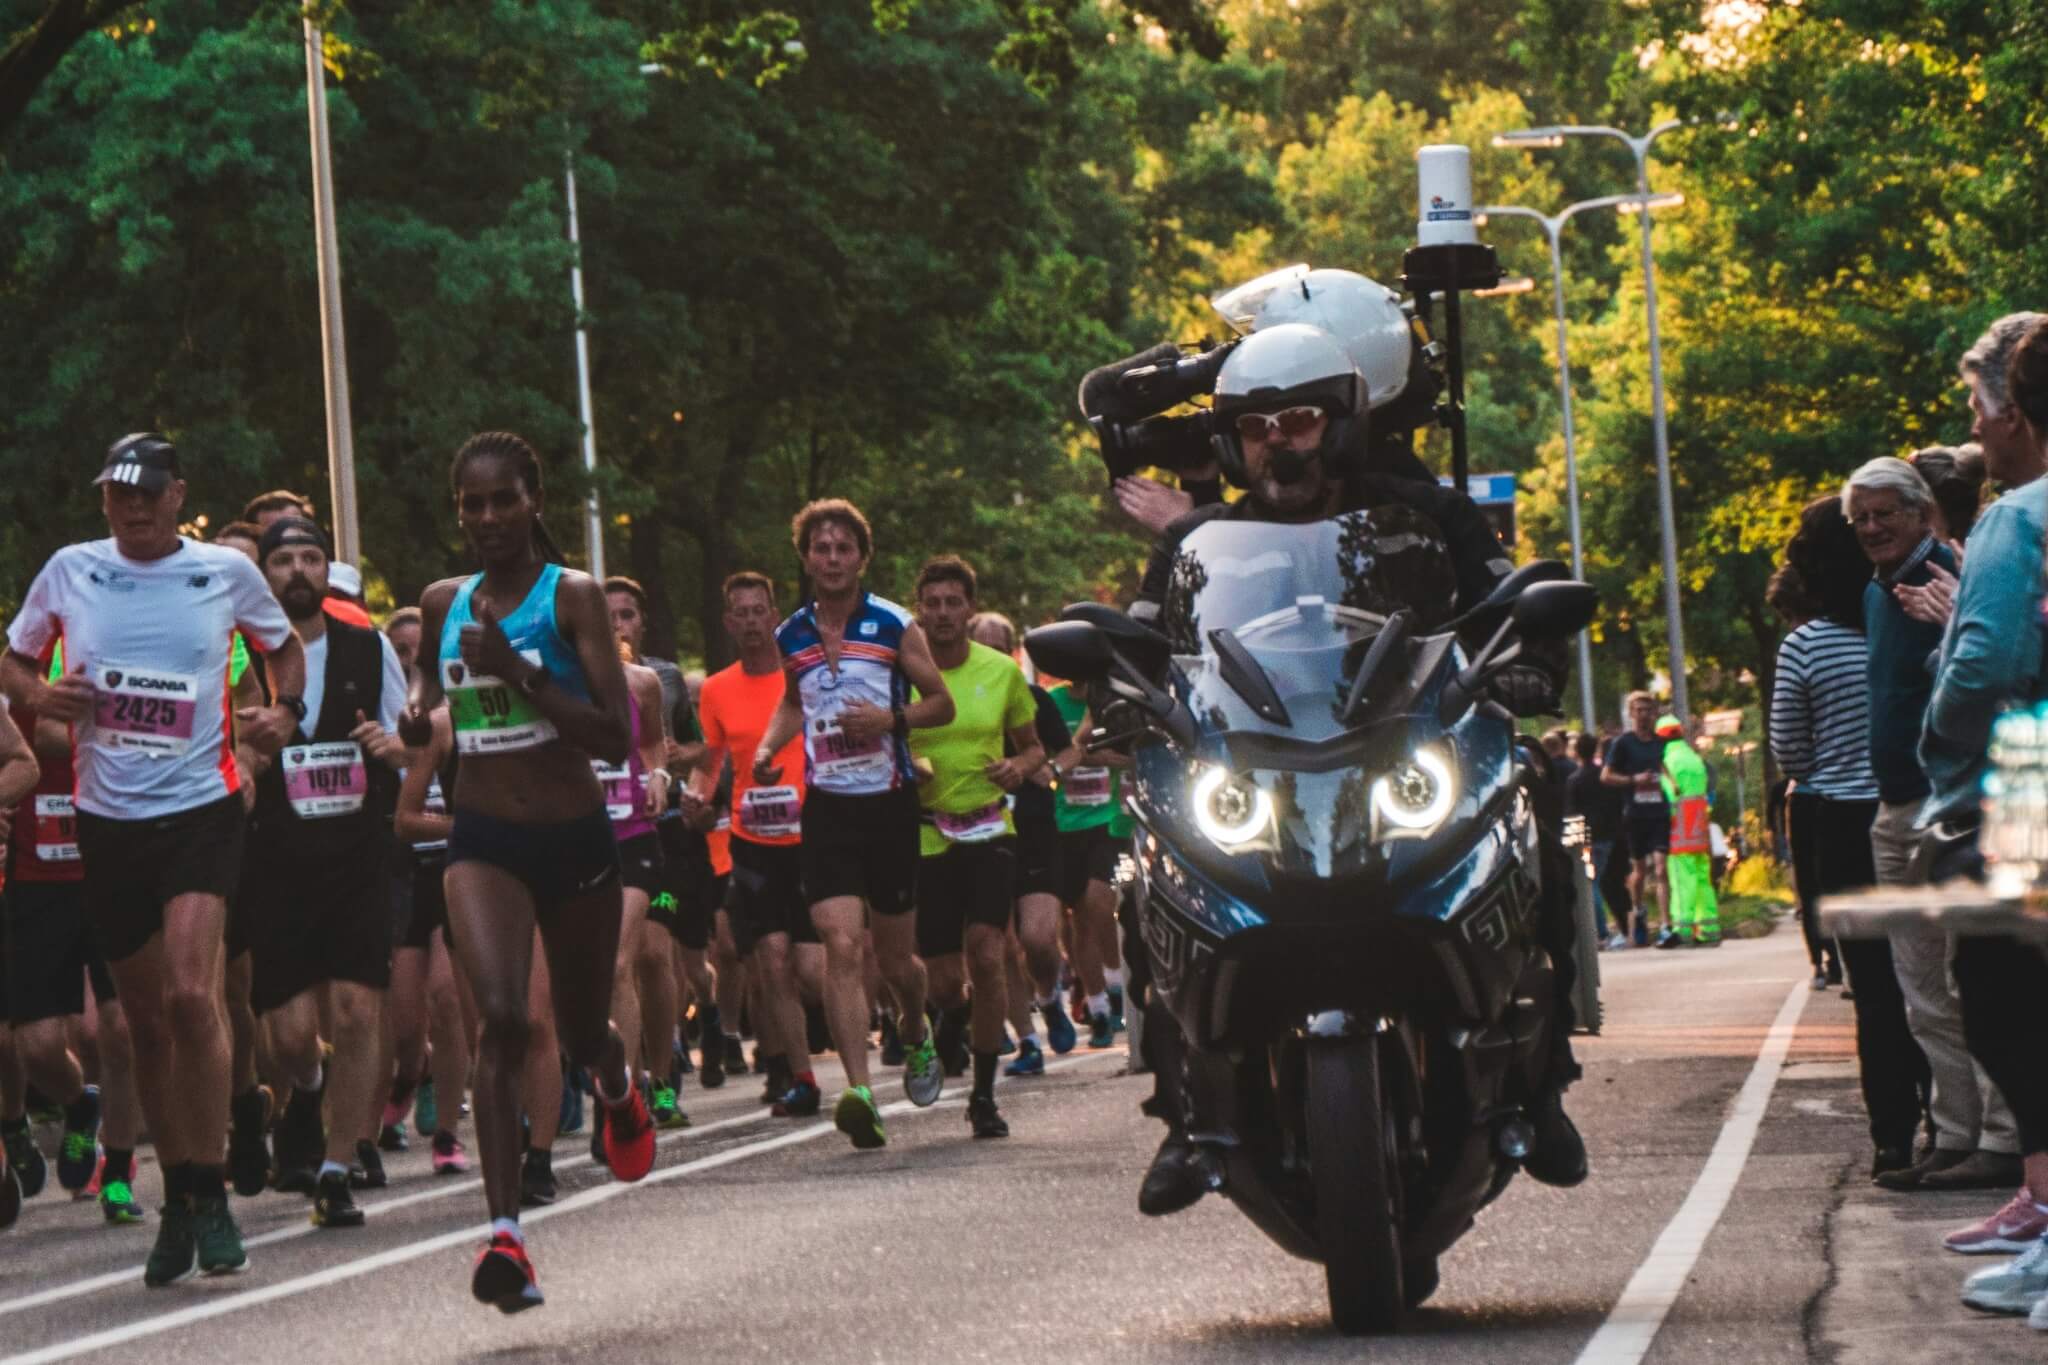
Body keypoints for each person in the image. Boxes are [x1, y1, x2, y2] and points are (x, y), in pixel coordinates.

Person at [1128, 324, 1585, 1214]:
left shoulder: (1431, 511)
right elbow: (1147, 642)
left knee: (1540, 806)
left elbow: (1508, 601)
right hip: (1262, 771)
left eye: (1297, 419)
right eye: (1256, 426)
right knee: (1145, 861)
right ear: (1230, 440)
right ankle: (1183, 1116)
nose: (1277, 442)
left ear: (1341, 422)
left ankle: (1546, 1084)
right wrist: (1123, 692)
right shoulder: (1200, 542)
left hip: (1404, 753)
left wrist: (1531, 661)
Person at [1, 432, 306, 1286]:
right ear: (104, 500)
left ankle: (209, 1195)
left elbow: (283, 651)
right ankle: (179, 1194)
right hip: (109, 818)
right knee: (142, 1025)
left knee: (189, 992)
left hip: (201, 809)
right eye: (117, 492)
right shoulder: (70, 569)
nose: (131, 505)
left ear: (179, 495)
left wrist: (286, 713)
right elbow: (16, 662)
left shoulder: (225, 573)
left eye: (147, 491)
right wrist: (38, 695)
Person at [399, 431, 655, 1313]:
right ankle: (506, 1235)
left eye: (504, 499)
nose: (488, 518)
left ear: (533, 501)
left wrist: (518, 670)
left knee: (582, 1034)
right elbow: (436, 695)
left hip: (575, 836)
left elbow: (612, 736)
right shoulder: (444, 600)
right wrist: (416, 713)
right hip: (484, 838)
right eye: (472, 503)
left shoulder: (571, 596)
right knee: (502, 1018)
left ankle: (618, 1090)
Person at [751, 498, 956, 1149]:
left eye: (843, 548)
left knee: (898, 961)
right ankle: (860, 1094)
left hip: (890, 804)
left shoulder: (894, 623)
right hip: (829, 807)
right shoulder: (792, 635)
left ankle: (916, 1030)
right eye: (821, 548)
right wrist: (764, 748)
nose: (832, 558)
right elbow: (792, 703)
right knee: (842, 946)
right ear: (806, 557)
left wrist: (889, 722)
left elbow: (941, 704)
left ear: (860, 557)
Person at [1840, 456, 2019, 1192]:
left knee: (1971, 975)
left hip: (1951, 802)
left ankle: (2006, 1139)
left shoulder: (1955, 575)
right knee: (1921, 986)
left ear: (1921, 513)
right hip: (1895, 805)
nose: (1874, 528)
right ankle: (1955, 1133)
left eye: (1886, 513)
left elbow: (1993, 672)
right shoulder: (1878, 594)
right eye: (1862, 519)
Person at [1926, 314, 2048, 1325]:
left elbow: (1985, 667)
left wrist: (1940, 730)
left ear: (2015, 417)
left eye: (1978, 405)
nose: (1971, 425)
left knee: (2001, 992)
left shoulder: (2017, 521)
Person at [239, 516, 409, 1226]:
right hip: (274, 861)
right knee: (285, 1034)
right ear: (265, 574)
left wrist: (389, 742)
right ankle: (306, 1089)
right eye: (284, 559)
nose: (299, 570)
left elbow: (411, 745)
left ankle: (337, 1168)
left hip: (356, 857)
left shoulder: (368, 649)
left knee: (356, 1008)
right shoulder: (237, 654)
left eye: (311, 556)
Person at [1767, 493, 1929, 1179]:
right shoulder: (1905, 624)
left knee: (1874, 989)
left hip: (1839, 822)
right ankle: (1953, 1118)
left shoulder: (1804, 646)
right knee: (1932, 979)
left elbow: (1789, 754)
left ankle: (1891, 1133)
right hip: (1915, 809)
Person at [906, 558, 1045, 1138]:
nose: (942, 613)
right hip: (926, 833)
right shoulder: (902, 671)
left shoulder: (1001, 671)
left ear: (969, 608)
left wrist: (1018, 766)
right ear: (920, 609)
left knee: (988, 955)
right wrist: (908, 765)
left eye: (952, 602)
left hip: (989, 830)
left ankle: (984, 1097)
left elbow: (1033, 747)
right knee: (941, 978)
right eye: (932, 603)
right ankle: (951, 1013)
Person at [695, 573, 824, 1117]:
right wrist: (698, 798)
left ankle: (844, 1026)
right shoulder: (716, 689)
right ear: (729, 623)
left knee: (815, 973)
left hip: (814, 834)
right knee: (769, 961)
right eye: (739, 613)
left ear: (774, 616)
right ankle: (799, 1077)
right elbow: (711, 761)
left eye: (758, 611)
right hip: (752, 841)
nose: (750, 622)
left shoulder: (804, 677)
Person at [966, 610, 1082, 1074]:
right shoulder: (957, 700)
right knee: (998, 943)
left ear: (1012, 654)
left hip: (1034, 831)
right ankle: (1028, 1040)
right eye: (984, 647)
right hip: (984, 833)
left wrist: (1048, 771)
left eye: (1000, 647)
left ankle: (1050, 996)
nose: (991, 656)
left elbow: (1069, 748)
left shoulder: (1032, 698)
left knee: (1036, 939)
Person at [1601, 693, 1670, 945]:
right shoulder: (1623, 744)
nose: (1643, 715)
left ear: (1654, 714)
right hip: (1635, 815)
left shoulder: (1661, 743)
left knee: (1662, 868)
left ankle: (1666, 925)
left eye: (1648, 710)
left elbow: (1669, 772)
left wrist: (1672, 785)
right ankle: (1639, 910)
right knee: (1640, 871)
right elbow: (1605, 776)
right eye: (1638, 710)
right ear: (1631, 714)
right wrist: (1633, 780)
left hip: (1660, 812)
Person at [1653, 717, 1720, 947]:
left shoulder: (1667, 761)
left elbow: (1669, 796)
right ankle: (1709, 928)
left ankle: (1683, 930)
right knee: (1703, 879)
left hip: (1678, 832)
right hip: (1699, 829)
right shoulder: (1694, 759)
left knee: (1683, 882)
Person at [1564, 731, 1628, 950]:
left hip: (1589, 837)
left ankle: (1600, 931)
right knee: (1610, 881)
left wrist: (1574, 840)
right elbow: (1617, 802)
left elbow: (1573, 813)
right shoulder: (1605, 776)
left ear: (1576, 752)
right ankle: (1623, 926)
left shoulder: (1575, 780)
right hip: (1611, 834)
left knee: (1591, 883)